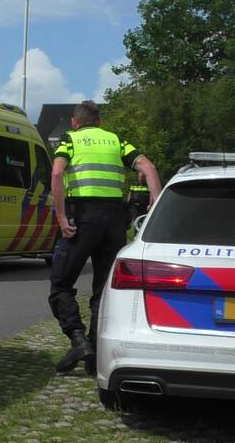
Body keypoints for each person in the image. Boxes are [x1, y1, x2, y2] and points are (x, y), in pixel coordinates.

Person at [48, 100, 161, 374]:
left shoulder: (70, 141)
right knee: (103, 288)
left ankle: (78, 340)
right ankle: (95, 352)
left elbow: (57, 171)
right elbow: (149, 167)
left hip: (83, 217)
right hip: (114, 221)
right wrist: (154, 206)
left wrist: (62, 218)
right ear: (99, 122)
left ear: (75, 122)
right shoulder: (116, 141)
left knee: (61, 284)